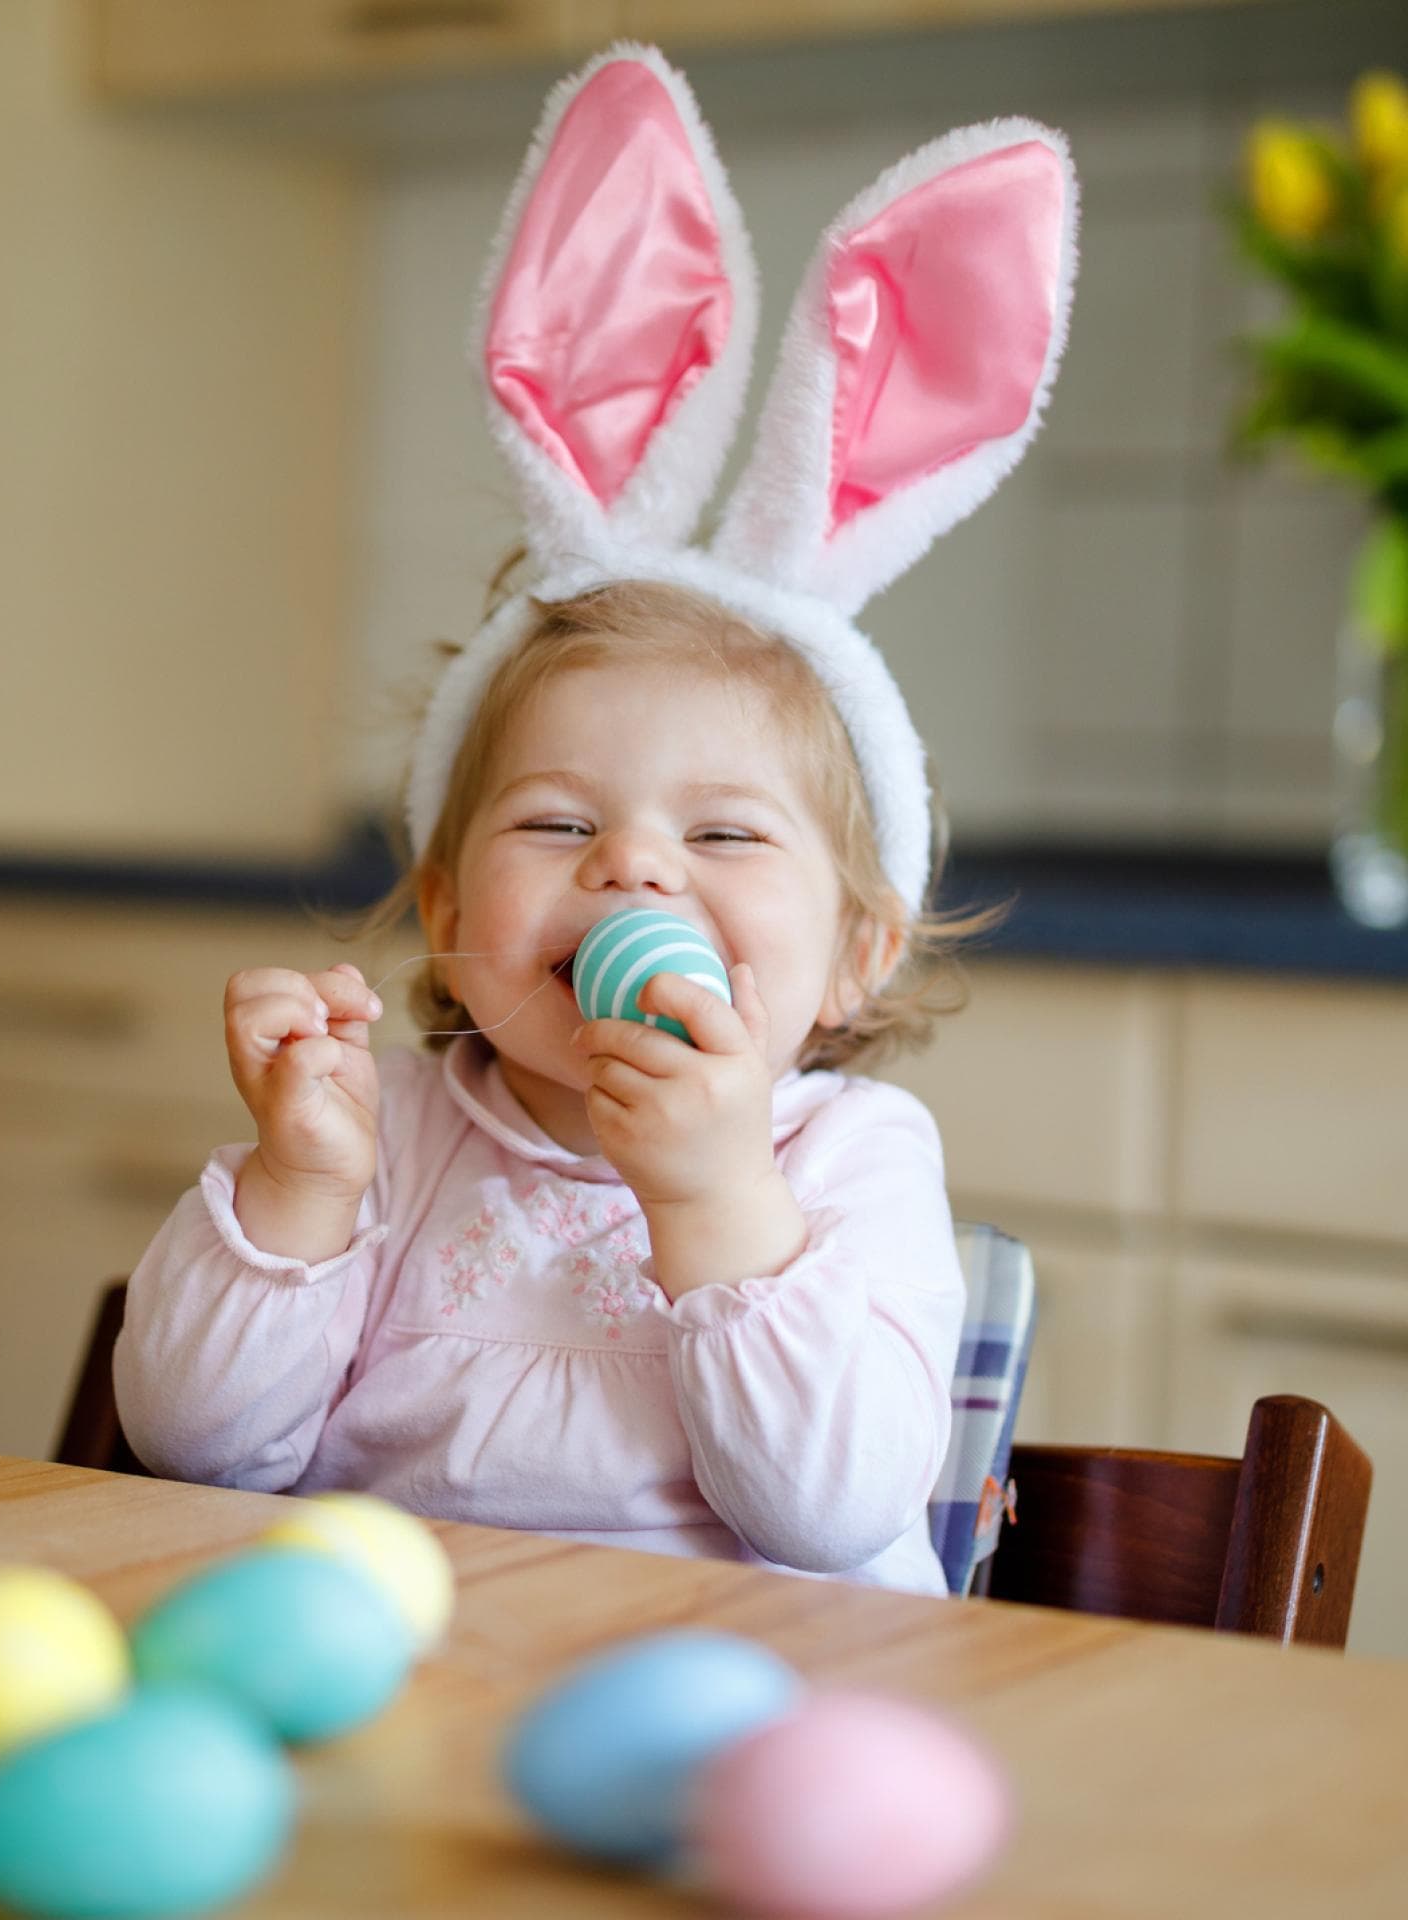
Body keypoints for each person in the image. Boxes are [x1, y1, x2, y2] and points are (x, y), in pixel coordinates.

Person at [114, 45, 1078, 1597]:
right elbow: (190, 1450)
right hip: (411, 1686)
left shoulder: (847, 1160)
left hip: (741, 1698)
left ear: (858, 953)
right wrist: (300, 1190)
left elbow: (831, 1515)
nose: (633, 865)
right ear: (445, 908)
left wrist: (713, 1193)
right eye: (560, 827)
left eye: (727, 836)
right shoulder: (391, 1132)